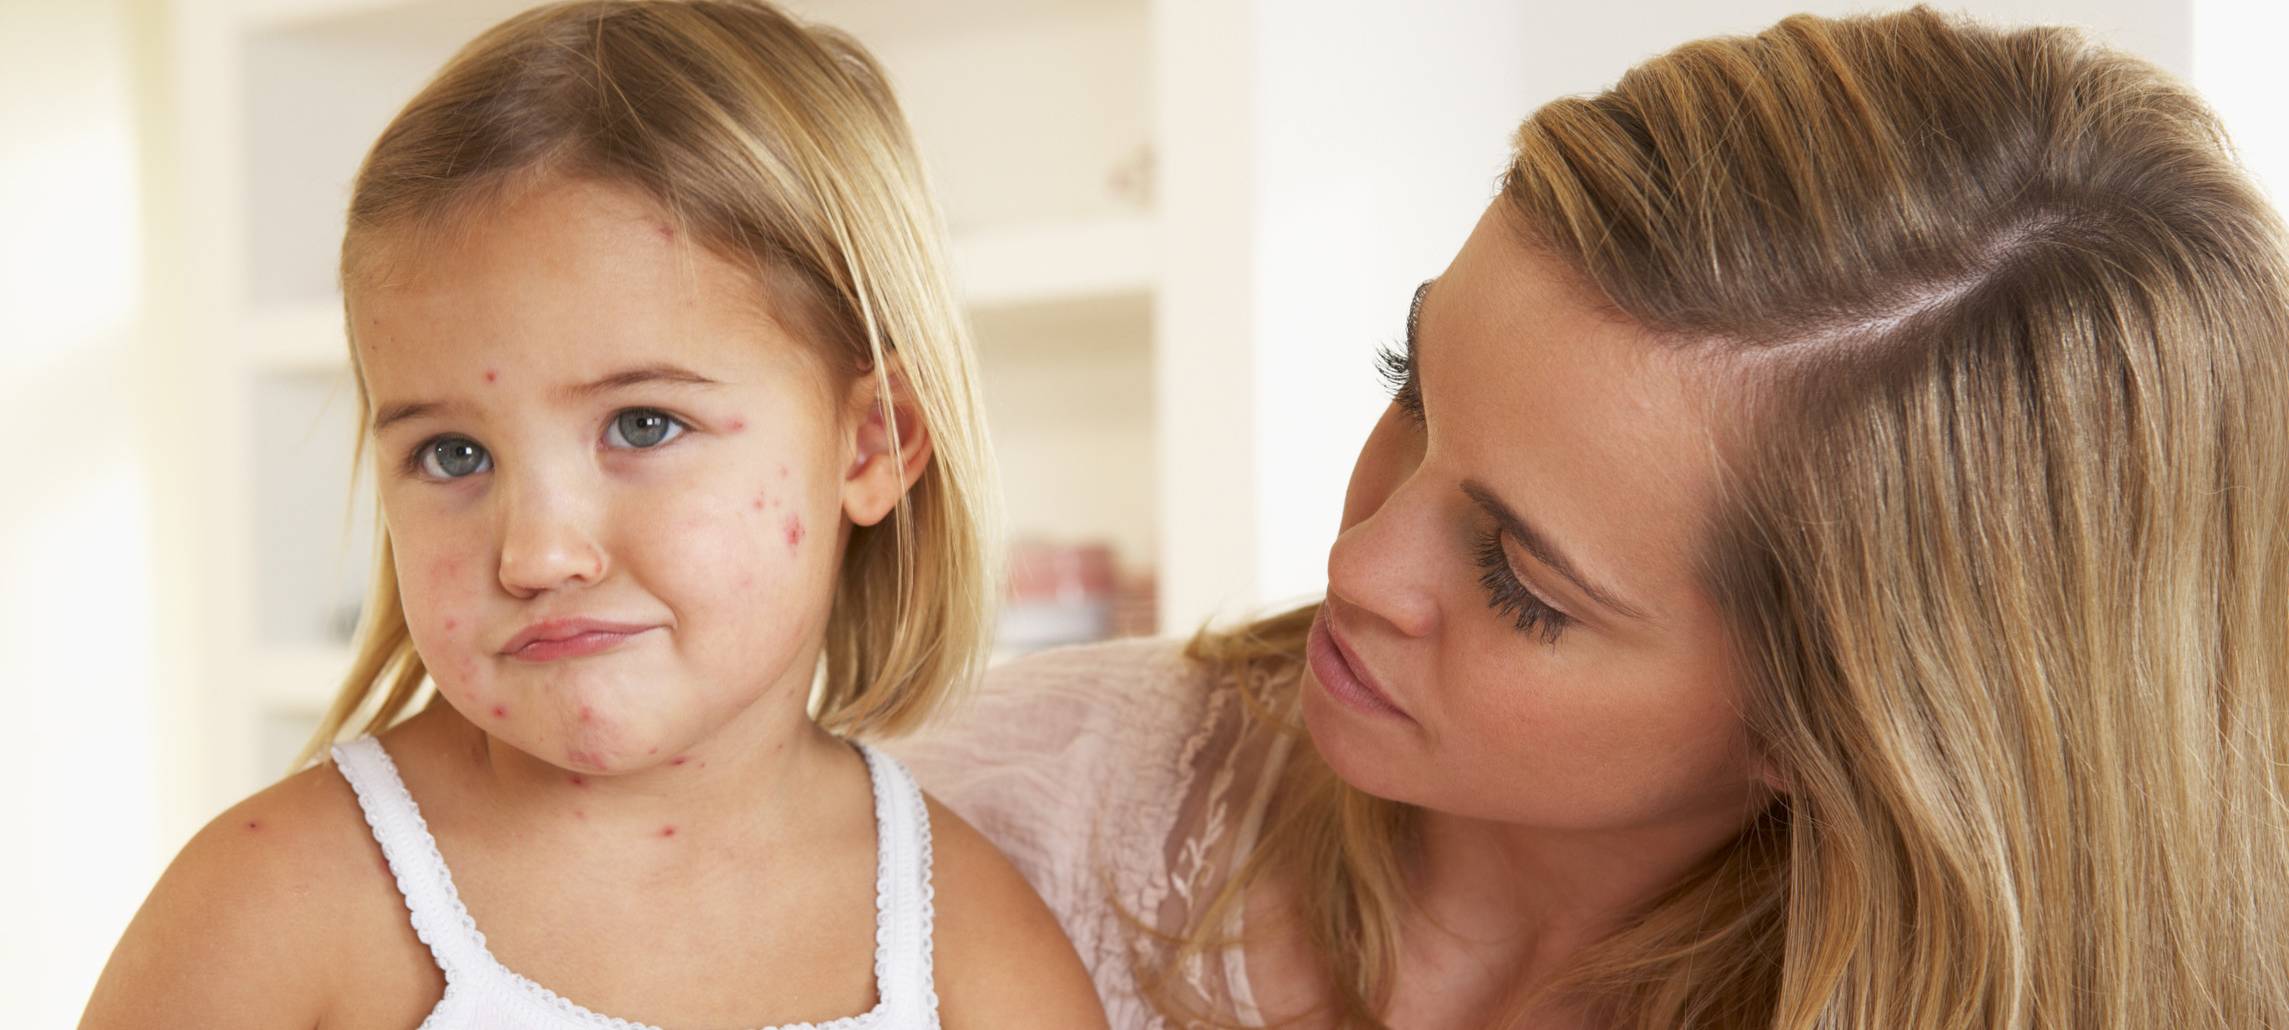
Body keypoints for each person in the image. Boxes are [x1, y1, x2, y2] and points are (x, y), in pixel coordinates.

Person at [894, 6, 2289, 1028]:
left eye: (1519, 580)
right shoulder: (987, 809)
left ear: (1841, 730)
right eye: (1411, 389)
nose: (1355, 561)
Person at [80, 2, 1106, 1027]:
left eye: (645, 425)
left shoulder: (972, 950)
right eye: (453, 454)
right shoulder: (275, 912)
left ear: (873, 442)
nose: (537, 552)